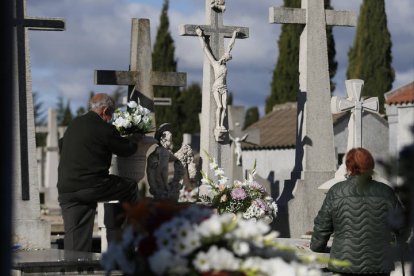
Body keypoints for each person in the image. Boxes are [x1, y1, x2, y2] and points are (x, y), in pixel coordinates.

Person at [57, 93, 140, 252]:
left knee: (75, 240)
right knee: (130, 188)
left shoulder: (74, 124)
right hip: (92, 185)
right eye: (111, 114)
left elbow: (62, 145)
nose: (110, 118)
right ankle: (127, 231)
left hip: (67, 189)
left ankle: (74, 269)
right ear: (105, 110)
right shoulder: (104, 128)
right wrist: (135, 140)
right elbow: (126, 149)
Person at [310, 148, 406, 276]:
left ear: (348, 167)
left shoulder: (336, 191)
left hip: (344, 265)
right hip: (379, 266)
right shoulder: (386, 192)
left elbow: (322, 229)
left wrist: (317, 247)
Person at [195, 26, 239, 135]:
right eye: (226, 57)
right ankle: (218, 126)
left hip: (224, 88)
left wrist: (234, 35)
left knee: (224, 107)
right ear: (224, 57)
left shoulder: (224, 64)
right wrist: (200, 36)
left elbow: (230, 46)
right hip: (216, 87)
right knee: (219, 106)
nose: (226, 59)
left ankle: (222, 125)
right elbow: (205, 49)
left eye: (227, 58)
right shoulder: (215, 63)